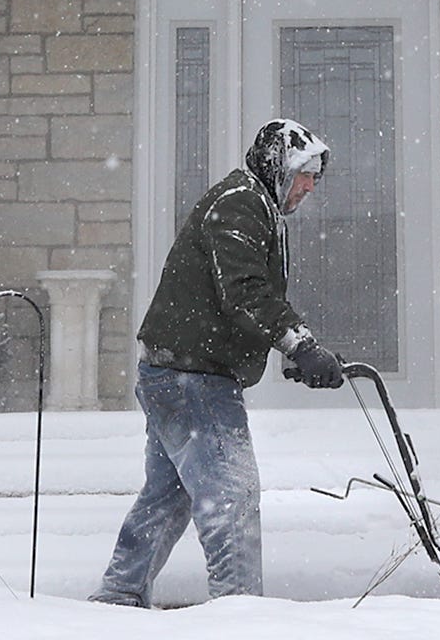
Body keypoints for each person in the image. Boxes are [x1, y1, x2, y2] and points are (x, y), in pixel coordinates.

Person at [90, 117, 347, 605]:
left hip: (176, 371)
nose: (312, 184)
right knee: (232, 501)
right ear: (278, 166)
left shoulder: (255, 206)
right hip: (193, 378)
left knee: (168, 498)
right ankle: (239, 613)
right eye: (304, 172)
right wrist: (300, 343)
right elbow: (245, 291)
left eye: (317, 174)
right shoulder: (241, 203)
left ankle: (118, 598)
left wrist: (299, 351)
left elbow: (241, 296)